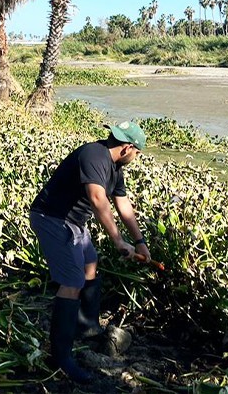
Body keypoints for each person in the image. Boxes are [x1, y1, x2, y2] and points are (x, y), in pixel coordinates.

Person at [29, 121, 153, 384]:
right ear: (128, 148)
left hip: (73, 222)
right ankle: (61, 357)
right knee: (72, 281)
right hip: (51, 218)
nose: (136, 158)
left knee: (90, 264)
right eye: (138, 153)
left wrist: (139, 241)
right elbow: (98, 200)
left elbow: (123, 205)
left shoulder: (115, 168)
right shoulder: (93, 155)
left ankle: (85, 329)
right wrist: (118, 241)